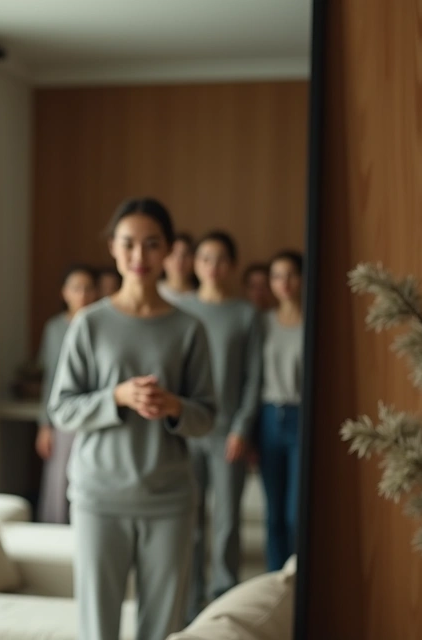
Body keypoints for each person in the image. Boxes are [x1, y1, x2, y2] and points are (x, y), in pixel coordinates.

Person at [50, 197, 216, 640]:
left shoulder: (189, 329)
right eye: (128, 244)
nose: (139, 256)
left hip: (169, 500)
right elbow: (62, 408)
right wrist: (116, 396)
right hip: (98, 498)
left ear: (167, 250)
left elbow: (207, 418)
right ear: (113, 248)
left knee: (161, 630)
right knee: (97, 629)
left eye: (151, 244)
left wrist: (175, 406)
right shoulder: (89, 324)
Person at [171, 231, 263, 621]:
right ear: (195, 263)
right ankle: (190, 602)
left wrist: (242, 427)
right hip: (186, 430)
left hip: (227, 432)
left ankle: (223, 601)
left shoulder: (246, 314)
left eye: (221, 259)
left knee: (226, 521)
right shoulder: (179, 309)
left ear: (232, 266)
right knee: (188, 520)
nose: (212, 266)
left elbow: (253, 378)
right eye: (205, 258)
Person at [36, 264, 100, 524]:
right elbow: (50, 378)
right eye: (76, 288)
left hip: (95, 414)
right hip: (63, 415)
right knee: (58, 482)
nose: (82, 294)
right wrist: (45, 425)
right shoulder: (55, 328)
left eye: (88, 288)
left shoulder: (100, 324)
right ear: (65, 293)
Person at [258, 250, 305, 572]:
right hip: (268, 418)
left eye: (290, 275)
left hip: (301, 417)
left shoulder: (312, 322)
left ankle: (297, 578)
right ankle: (275, 578)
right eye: (276, 276)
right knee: (273, 512)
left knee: (295, 511)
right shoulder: (262, 323)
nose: (284, 283)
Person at [159, 232, 199, 304]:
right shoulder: (153, 292)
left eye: (185, 255)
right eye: (173, 254)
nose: (179, 261)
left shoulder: (202, 297)